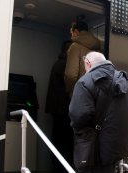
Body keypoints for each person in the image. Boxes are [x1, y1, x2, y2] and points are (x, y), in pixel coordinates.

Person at [69, 51, 128, 173]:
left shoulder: (84, 82)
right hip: (120, 149)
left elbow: (78, 116)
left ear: (88, 64)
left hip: (96, 152)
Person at [45, 40, 74, 172]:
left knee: (58, 142)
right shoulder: (65, 65)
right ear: (68, 51)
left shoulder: (58, 63)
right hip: (63, 111)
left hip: (57, 111)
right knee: (64, 144)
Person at [65, 20, 100, 97]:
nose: (71, 37)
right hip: (95, 94)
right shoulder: (98, 49)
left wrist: (69, 89)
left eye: (72, 33)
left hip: (79, 93)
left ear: (76, 32)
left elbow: (70, 75)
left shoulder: (75, 46)